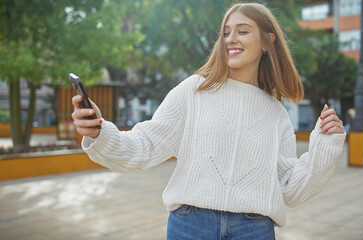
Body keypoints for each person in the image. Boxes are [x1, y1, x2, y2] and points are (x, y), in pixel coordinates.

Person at [72, 3, 346, 239]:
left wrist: (324, 148)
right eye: (226, 32)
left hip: (255, 230)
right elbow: (144, 145)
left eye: (242, 30)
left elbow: (289, 189)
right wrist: (99, 132)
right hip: (191, 226)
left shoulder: (276, 114)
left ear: (267, 41)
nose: (230, 38)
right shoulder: (194, 91)